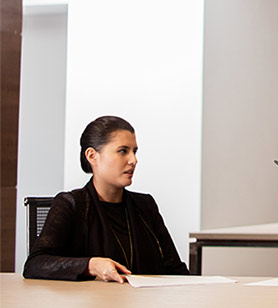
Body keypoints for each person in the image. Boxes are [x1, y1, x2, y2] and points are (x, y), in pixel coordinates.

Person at [24, 116, 189, 282]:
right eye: (123, 151)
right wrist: (91, 265)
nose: (133, 160)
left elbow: (175, 268)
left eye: (134, 151)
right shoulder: (72, 204)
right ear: (92, 156)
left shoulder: (145, 206)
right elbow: (35, 264)